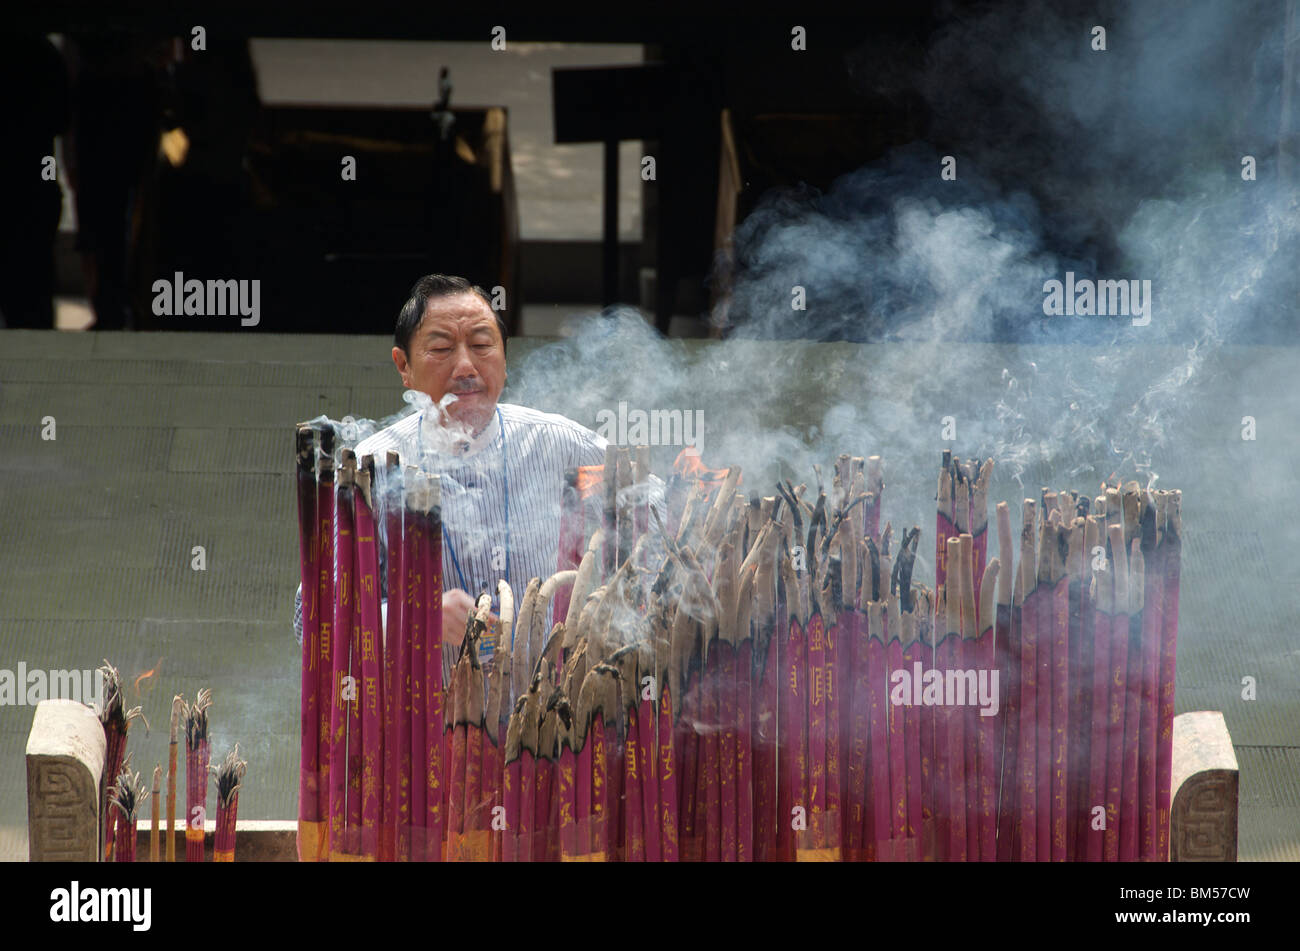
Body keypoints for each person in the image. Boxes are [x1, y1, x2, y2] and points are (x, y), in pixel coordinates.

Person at [295, 274, 640, 662]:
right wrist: (415, 617)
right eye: (441, 348)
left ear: (505, 360)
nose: (464, 366)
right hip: (422, 714)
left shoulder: (564, 446)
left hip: (548, 714)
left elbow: (652, 517)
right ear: (403, 365)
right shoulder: (369, 469)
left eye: (481, 345)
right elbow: (311, 619)